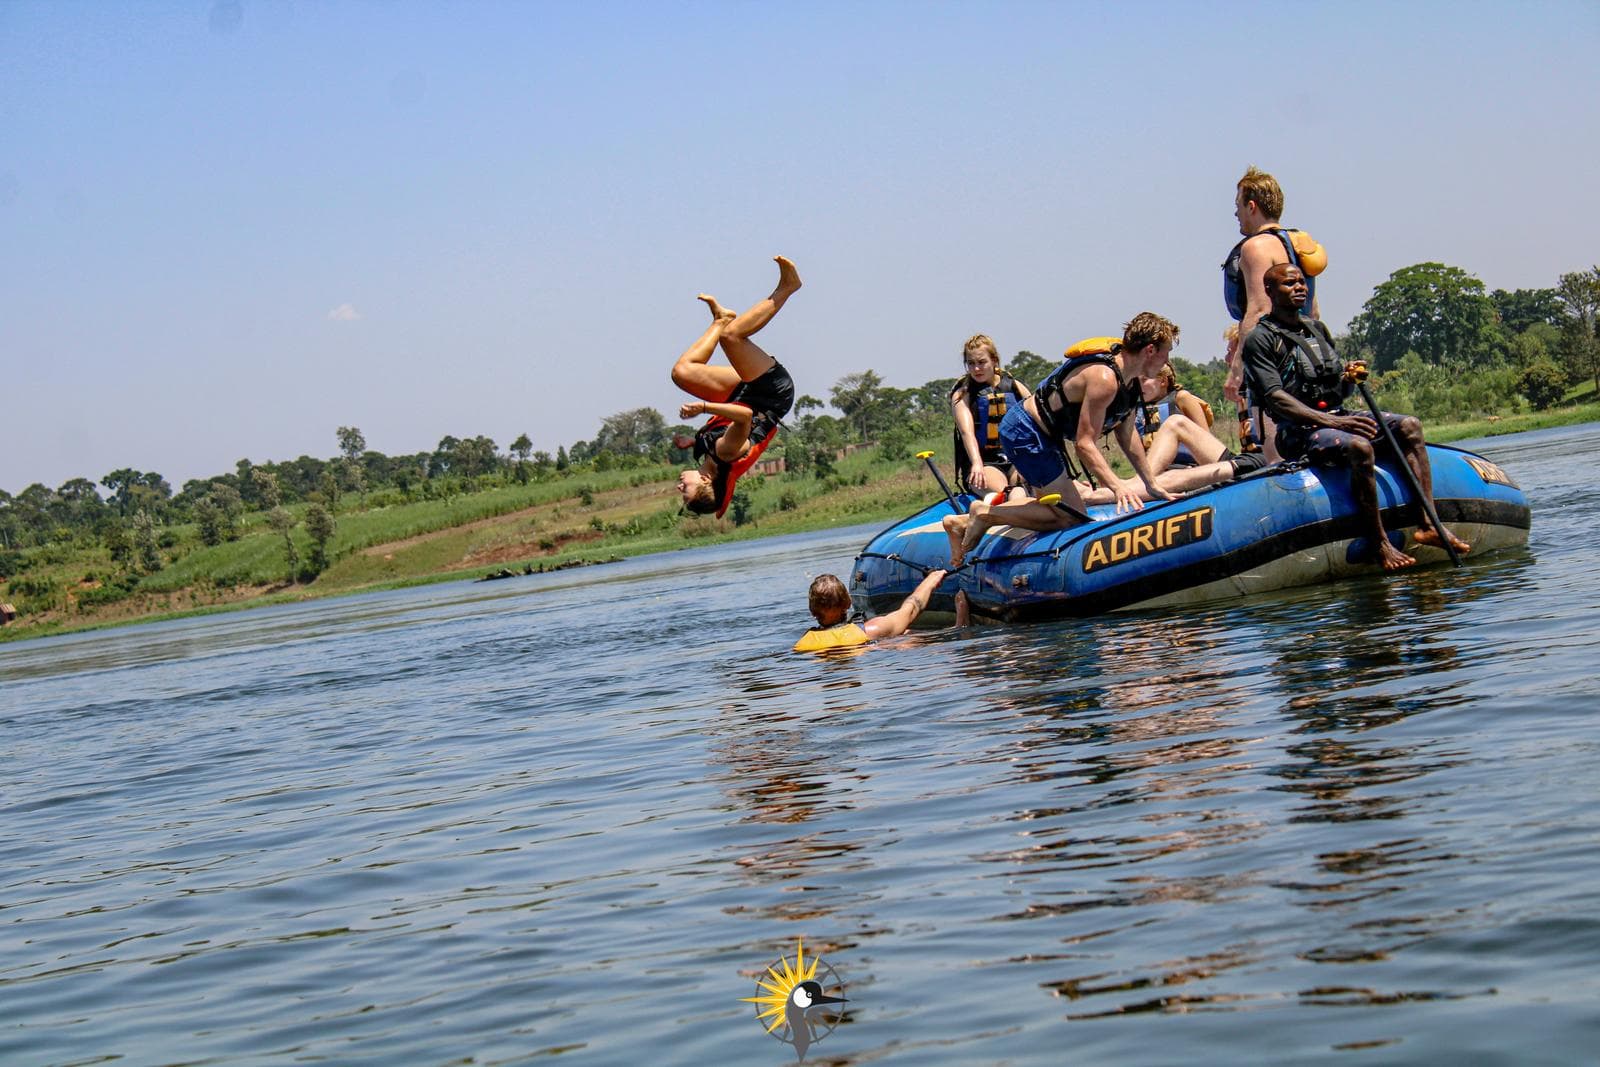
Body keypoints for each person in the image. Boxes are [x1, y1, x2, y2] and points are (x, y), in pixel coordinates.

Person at [1241, 263, 1470, 571]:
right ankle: (1379, 543)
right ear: (1270, 291)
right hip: (1298, 432)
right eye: (1289, 283)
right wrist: (1336, 423)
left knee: (1410, 426)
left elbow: (1338, 392)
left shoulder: (1315, 329)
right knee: (1359, 447)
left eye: (1302, 283)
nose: (1300, 288)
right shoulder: (1261, 339)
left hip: (1337, 416)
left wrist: (1348, 379)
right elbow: (1276, 398)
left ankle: (1429, 523)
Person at [940, 313, 1179, 567]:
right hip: (1025, 432)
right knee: (1072, 517)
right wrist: (1117, 487)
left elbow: (1127, 435)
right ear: (1150, 350)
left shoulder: (1130, 382)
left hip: (1041, 435)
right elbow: (1085, 444)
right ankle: (985, 514)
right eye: (1166, 352)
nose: (1167, 360)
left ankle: (966, 521)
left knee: (1054, 508)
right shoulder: (1105, 379)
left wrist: (1151, 483)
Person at [671, 257, 800, 517]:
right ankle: (788, 287)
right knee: (733, 337)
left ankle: (721, 318)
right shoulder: (726, 453)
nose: (679, 486)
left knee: (682, 373)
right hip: (771, 393)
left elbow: (726, 423)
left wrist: (690, 441)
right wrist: (704, 408)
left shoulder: (711, 457)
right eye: (685, 490)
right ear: (705, 482)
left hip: (743, 394)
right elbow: (745, 417)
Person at [1222, 167, 1325, 463]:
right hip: (1305, 357)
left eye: (1238, 206)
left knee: (1274, 452)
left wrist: (1238, 368)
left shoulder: (1256, 247)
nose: (1236, 215)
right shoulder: (1297, 244)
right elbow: (1313, 312)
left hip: (1272, 361)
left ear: (1252, 206)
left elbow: (1259, 308)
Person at [794, 570, 969, 652]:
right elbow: (910, 610)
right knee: (904, 637)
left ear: (812, 610)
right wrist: (931, 580)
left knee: (897, 639)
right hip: (868, 648)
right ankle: (959, 628)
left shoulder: (803, 644)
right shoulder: (871, 629)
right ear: (848, 602)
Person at [950, 334, 1032, 498]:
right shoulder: (962, 395)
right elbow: (967, 434)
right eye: (971, 363)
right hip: (986, 463)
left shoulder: (1015, 386)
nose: (976, 369)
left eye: (981, 362)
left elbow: (1036, 422)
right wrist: (977, 464)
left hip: (1016, 457)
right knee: (1010, 493)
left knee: (1031, 483)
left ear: (994, 360)